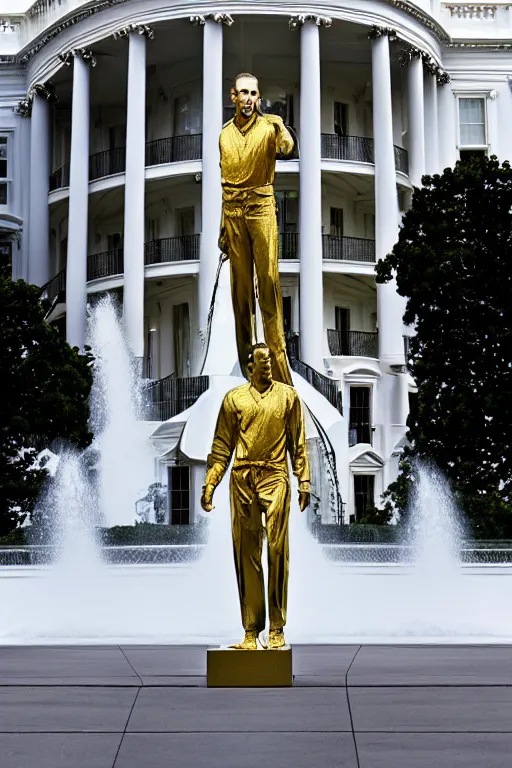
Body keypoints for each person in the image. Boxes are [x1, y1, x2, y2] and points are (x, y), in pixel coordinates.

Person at [201, 343, 310, 650]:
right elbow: (222, 446)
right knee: (246, 553)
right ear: (250, 366)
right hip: (242, 478)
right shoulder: (233, 399)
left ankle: (277, 627)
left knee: (277, 549)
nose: (269, 366)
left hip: (275, 475)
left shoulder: (288, 397)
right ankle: (251, 630)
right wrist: (210, 484)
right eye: (262, 361)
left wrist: (304, 480)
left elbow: (298, 443)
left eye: (270, 361)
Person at [219, 73, 295, 385]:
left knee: (268, 282)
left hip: (262, 206)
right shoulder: (224, 135)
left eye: (253, 93)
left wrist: (279, 125)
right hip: (233, 211)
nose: (248, 98)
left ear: (258, 98)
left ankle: (278, 360)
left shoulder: (269, 126)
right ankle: (249, 365)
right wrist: (223, 227)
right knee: (239, 291)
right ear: (233, 97)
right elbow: (224, 182)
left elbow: (287, 148)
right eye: (243, 93)